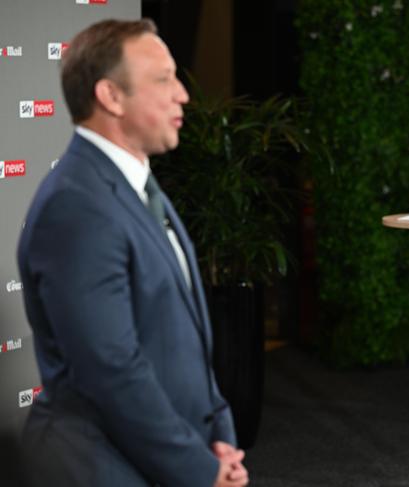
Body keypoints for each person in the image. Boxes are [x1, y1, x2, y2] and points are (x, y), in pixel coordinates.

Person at [17, 19, 248, 487]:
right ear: (111, 96)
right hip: (100, 467)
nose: (182, 94)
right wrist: (199, 469)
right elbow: (110, 372)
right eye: (163, 79)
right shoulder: (76, 205)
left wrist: (217, 437)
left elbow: (179, 338)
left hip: (163, 458)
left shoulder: (135, 185)